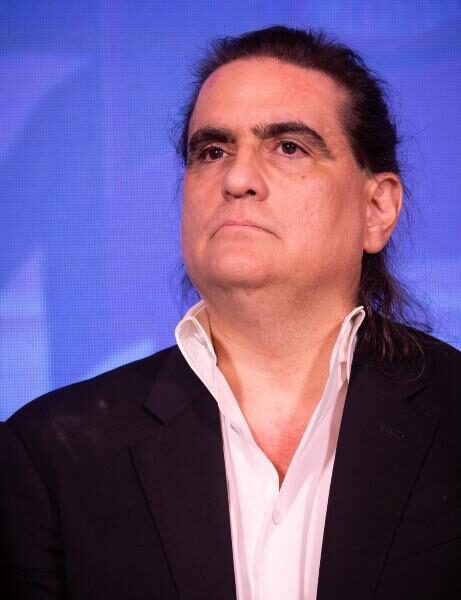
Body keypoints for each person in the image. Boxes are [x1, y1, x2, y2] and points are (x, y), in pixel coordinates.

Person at [1, 25, 460, 600]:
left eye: (288, 147)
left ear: (377, 209)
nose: (237, 179)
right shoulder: (51, 453)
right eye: (212, 152)